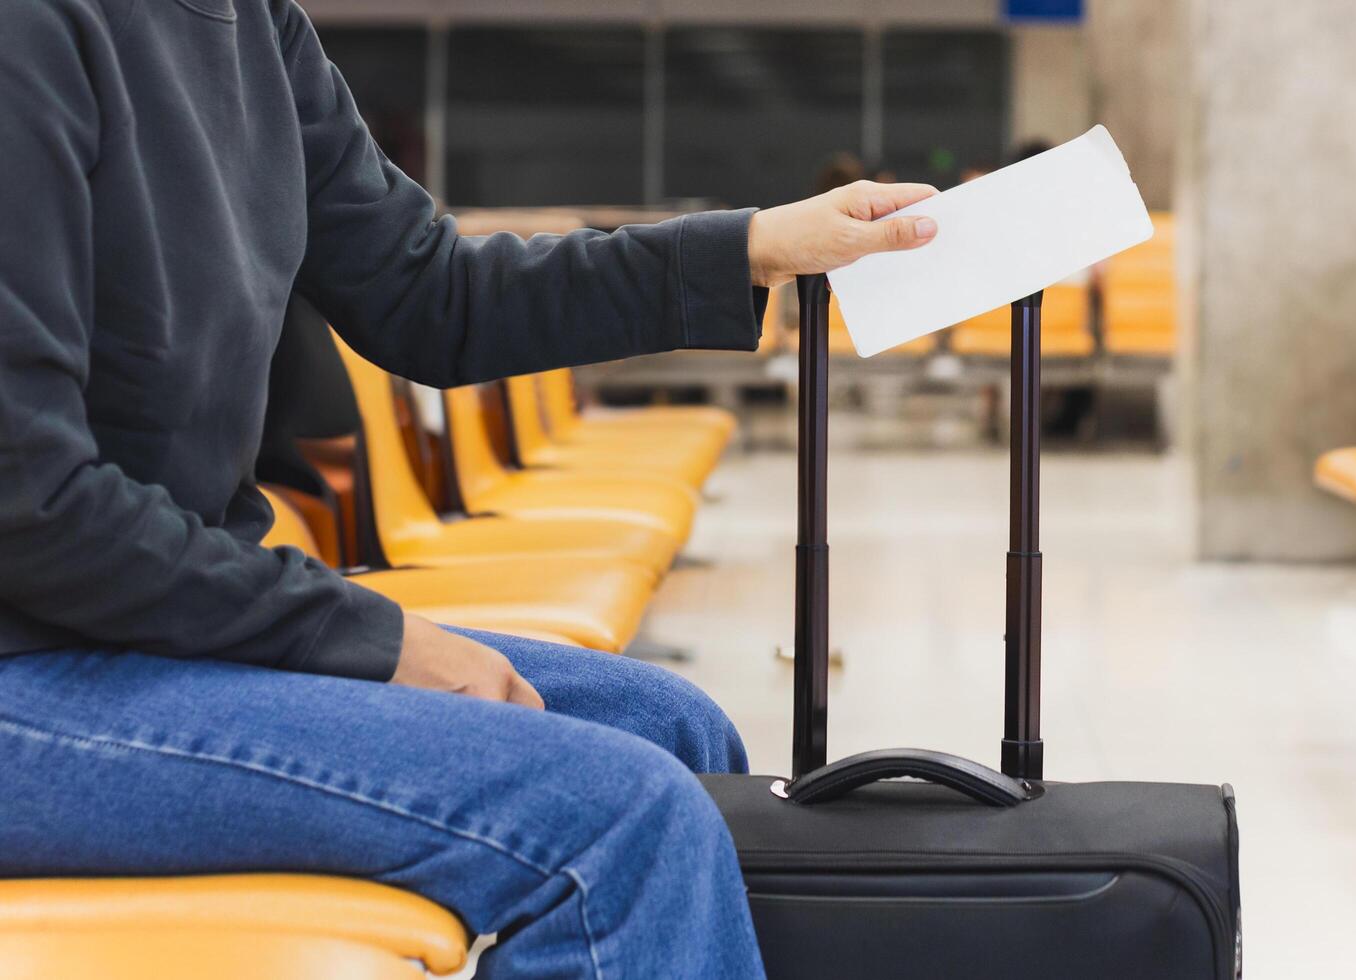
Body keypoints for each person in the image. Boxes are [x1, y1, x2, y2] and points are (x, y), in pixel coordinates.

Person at [0, 1, 938, 977]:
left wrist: (749, 246)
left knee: (673, 726)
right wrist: (368, 639)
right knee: (620, 820)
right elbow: (30, 497)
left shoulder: (250, 23)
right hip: (30, 665)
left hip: (151, 631)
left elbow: (428, 291)